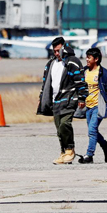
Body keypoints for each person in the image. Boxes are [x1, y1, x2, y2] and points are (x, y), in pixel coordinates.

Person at [36, 36, 88, 165]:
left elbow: (80, 80)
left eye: (58, 50)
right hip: (55, 101)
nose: (56, 53)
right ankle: (64, 153)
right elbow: (45, 83)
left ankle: (70, 150)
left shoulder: (72, 61)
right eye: (54, 51)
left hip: (69, 98)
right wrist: (41, 98)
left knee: (65, 124)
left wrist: (82, 97)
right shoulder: (50, 64)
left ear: (64, 48)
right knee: (59, 129)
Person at [77, 47, 107, 164]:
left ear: (96, 59)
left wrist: (106, 103)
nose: (87, 59)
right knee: (92, 130)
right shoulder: (84, 72)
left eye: (89, 57)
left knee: (92, 130)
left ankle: (89, 155)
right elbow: (79, 87)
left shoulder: (103, 73)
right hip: (87, 107)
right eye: (86, 57)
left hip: (98, 107)